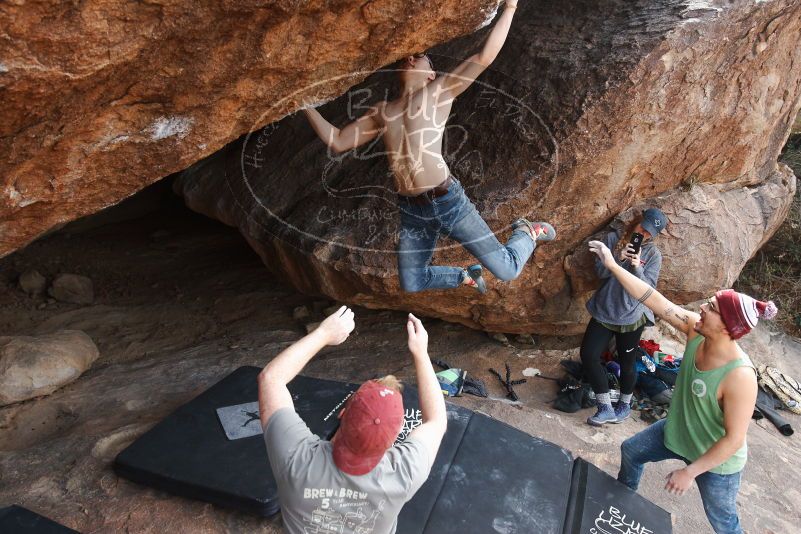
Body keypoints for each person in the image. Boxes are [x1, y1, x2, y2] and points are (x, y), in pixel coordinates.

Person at [303, 0, 555, 294]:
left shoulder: (438, 92)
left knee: (507, 269)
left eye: (422, 56)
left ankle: (526, 232)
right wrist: (303, 104)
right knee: (412, 282)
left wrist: (510, 8)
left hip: (448, 201)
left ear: (431, 74)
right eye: (409, 55)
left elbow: (483, 57)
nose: (412, 57)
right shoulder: (382, 111)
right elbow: (337, 139)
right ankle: (464, 277)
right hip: (412, 209)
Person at [588, 239, 777, 534]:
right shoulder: (694, 329)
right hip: (677, 431)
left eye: (711, 307)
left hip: (714, 459)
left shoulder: (740, 377)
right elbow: (653, 299)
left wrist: (691, 471)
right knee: (631, 451)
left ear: (728, 327)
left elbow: (734, 439)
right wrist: (612, 265)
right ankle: (621, 503)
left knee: (723, 521)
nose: (702, 307)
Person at [258, 306, 446, 534]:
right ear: (397, 435)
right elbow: (436, 420)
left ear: (342, 413)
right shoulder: (405, 474)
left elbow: (271, 379)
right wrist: (421, 353)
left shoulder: (296, 460)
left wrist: (323, 333)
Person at [582, 208, 668, 426]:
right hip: (605, 309)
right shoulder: (613, 239)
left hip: (632, 315)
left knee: (627, 362)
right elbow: (600, 273)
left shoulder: (653, 255)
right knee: (589, 354)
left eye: (650, 234)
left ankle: (624, 405)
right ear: (637, 222)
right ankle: (605, 407)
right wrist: (617, 258)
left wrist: (637, 266)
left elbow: (648, 290)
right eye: (643, 228)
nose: (644, 235)